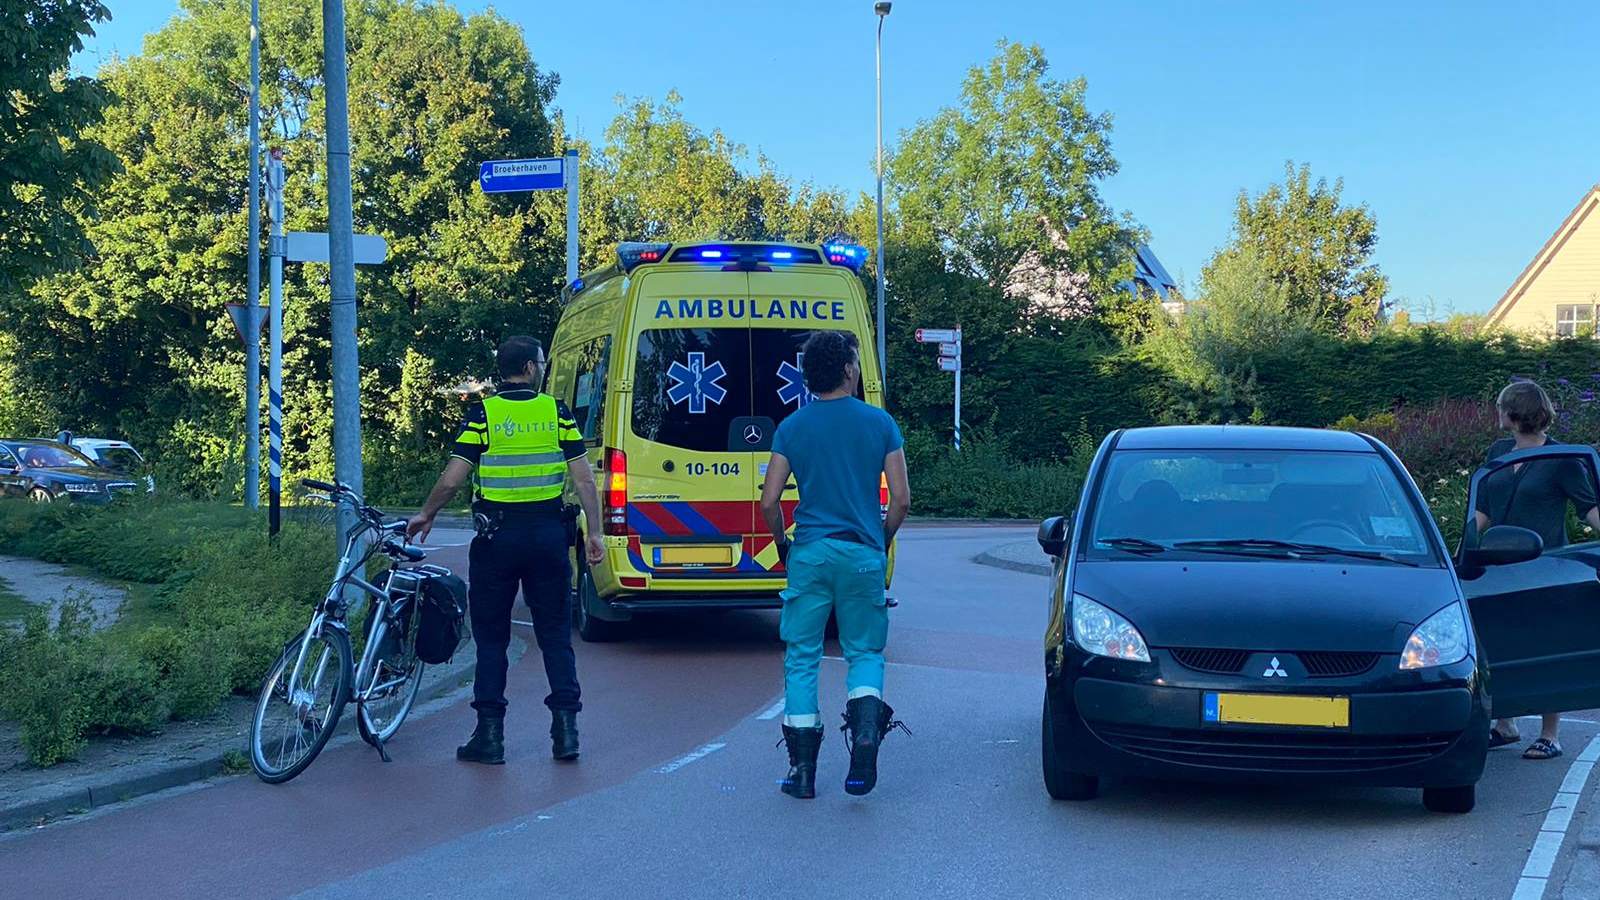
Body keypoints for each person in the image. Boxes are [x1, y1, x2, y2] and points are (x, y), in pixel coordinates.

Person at [407, 336, 605, 765]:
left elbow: (453, 479)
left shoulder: (483, 415)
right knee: (554, 633)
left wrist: (427, 514)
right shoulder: (557, 413)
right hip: (549, 538)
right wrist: (596, 533)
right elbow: (584, 479)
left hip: (496, 541)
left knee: (492, 637)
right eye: (541, 363)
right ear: (530, 369)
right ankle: (566, 732)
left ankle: (490, 736)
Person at [760, 330, 912, 799]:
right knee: (864, 652)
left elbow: (769, 501)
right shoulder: (880, 423)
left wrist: (784, 546)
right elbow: (901, 500)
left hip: (809, 552)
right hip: (862, 553)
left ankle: (802, 771)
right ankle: (865, 735)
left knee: (802, 657)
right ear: (848, 369)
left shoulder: (792, 427)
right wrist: (878, 542)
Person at [1477, 379, 1600, 761]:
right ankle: (1506, 724)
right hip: (1498, 566)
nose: (1497, 413)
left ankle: (1551, 734)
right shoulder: (1499, 451)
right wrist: (1460, 549)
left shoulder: (1560, 458)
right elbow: (1483, 509)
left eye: (1501, 407)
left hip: (1545, 568)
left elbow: (1588, 508)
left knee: (1548, 641)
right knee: (1499, 639)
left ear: (1514, 414)